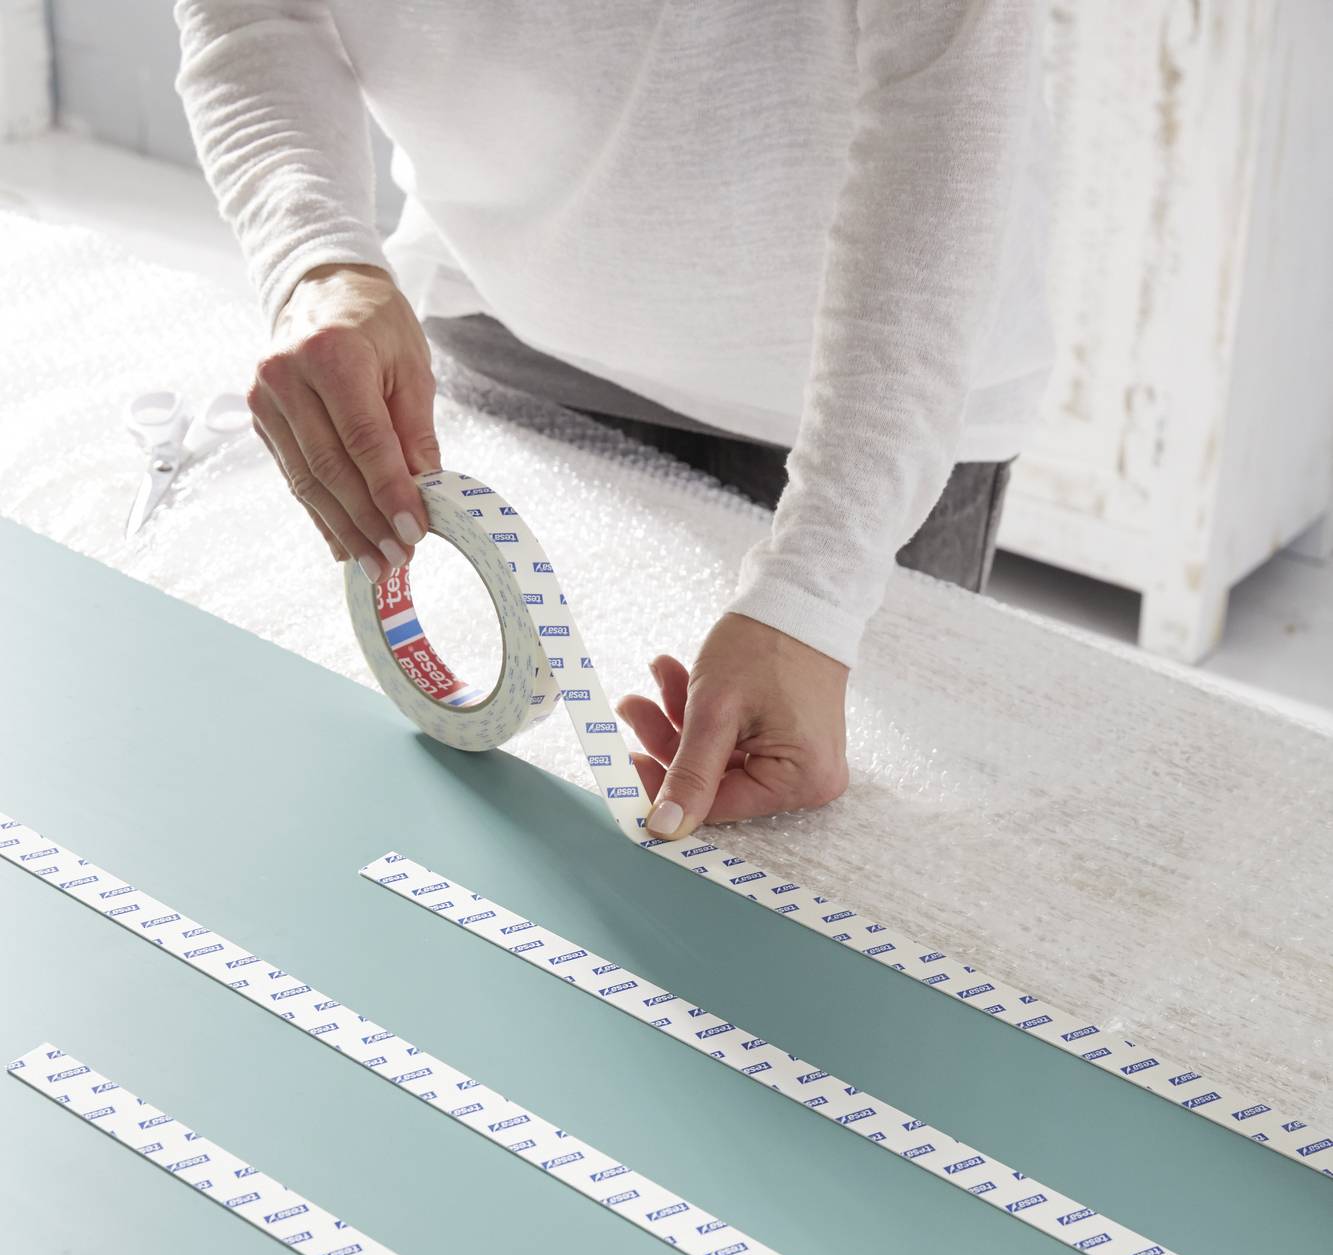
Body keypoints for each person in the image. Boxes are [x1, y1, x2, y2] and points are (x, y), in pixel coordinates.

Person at [175, 1, 1052, 839]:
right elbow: (254, 11)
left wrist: (817, 596)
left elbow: (947, 116)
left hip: (870, 418)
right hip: (500, 327)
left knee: (852, 851)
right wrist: (317, 262)